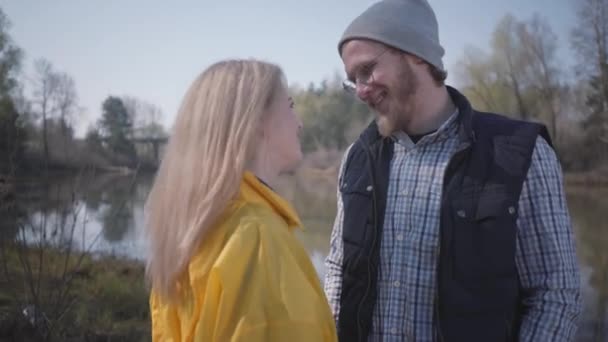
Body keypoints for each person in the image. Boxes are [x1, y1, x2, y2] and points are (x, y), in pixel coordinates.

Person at [323, 0, 582, 341]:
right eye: (353, 80)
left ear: (416, 53)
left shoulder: (523, 154)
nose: (360, 90)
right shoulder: (357, 157)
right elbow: (338, 271)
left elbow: (555, 295)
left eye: (367, 70)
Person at [145, 59, 337, 342]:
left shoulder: (198, 229)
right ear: (258, 120)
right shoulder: (256, 239)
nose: (300, 123)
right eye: (291, 106)